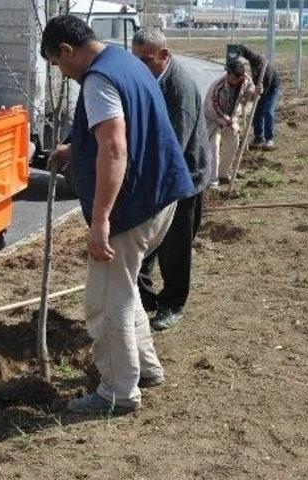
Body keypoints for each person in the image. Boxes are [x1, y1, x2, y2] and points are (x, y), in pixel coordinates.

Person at [42, 16, 194, 414]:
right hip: (162, 197)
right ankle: (146, 368)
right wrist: (75, 151)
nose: (63, 73)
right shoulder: (125, 62)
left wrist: (100, 220)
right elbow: (132, 127)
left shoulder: (97, 80)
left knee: (105, 302)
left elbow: (114, 148)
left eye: (58, 65)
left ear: (66, 51)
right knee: (124, 290)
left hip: (131, 208)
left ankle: (117, 392)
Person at [131, 28, 211, 331]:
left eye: (147, 60)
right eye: (136, 60)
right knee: (144, 244)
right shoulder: (149, 79)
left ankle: (172, 304)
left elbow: (174, 148)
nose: (141, 66)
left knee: (175, 247)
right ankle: (147, 299)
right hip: (158, 176)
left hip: (184, 179)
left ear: (165, 55)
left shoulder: (179, 89)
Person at [204, 57, 259, 188]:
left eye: (238, 79)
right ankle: (212, 180)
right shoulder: (217, 87)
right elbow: (214, 110)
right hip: (212, 119)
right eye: (233, 78)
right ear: (228, 73)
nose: (235, 82)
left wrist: (255, 94)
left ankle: (223, 174)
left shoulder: (246, 80)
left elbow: (249, 95)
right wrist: (229, 123)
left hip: (231, 116)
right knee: (214, 146)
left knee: (233, 143)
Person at [235, 44, 280, 150]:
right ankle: (258, 137)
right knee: (256, 112)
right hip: (260, 88)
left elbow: (266, 88)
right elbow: (246, 51)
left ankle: (269, 139)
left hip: (271, 88)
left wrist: (257, 97)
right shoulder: (253, 60)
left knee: (267, 111)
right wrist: (238, 53)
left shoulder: (266, 71)